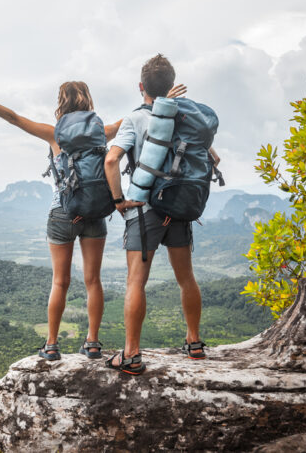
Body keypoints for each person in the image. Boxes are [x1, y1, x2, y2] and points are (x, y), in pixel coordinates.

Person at [0, 75, 186, 361]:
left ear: (61, 104)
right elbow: (139, 118)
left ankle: (51, 345)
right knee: (93, 281)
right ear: (88, 101)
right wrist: (165, 101)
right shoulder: (104, 132)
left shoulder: (55, 134)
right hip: (95, 213)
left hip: (63, 213)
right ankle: (92, 343)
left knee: (60, 282)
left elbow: (13, 118)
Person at [103, 54, 219, 375]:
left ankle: (131, 355)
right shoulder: (185, 118)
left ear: (141, 86)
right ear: (172, 86)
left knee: (135, 282)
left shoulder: (135, 119)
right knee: (186, 278)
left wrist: (118, 201)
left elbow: (111, 161)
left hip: (146, 212)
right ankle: (194, 343)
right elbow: (215, 160)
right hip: (180, 208)